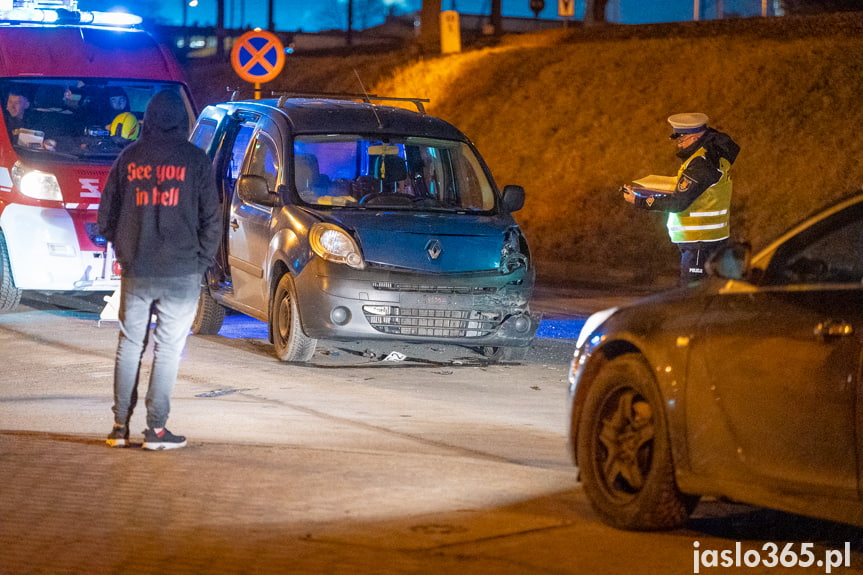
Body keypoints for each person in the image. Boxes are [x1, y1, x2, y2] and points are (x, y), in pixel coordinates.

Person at [98, 90, 221, 450]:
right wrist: (198, 263)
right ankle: (156, 430)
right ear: (183, 122)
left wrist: (126, 249)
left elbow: (105, 219)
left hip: (137, 270)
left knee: (129, 345)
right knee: (167, 350)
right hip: (181, 272)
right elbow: (211, 221)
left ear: (147, 119)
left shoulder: (128, 159)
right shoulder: (196, 161)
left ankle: (119, 427)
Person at [622, 112, 740, 284]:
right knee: (703, 293)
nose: (679, 145)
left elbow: (678, 202)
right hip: (706, 239)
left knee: (693, 295)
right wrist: (649, 189)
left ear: (694, 137)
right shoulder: (710, 154)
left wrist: (639, 200)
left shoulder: (701, 163)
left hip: (700, 240)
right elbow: (690, 189)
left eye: (681, 140)